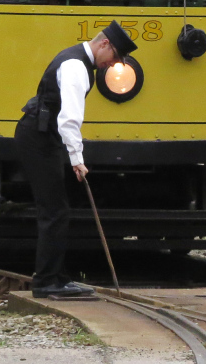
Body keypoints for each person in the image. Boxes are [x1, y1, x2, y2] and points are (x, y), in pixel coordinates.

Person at [15, 21, 137, 298]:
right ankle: (46, 282)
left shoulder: (75, 59)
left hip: (42, 136)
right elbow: (69, 119)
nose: (113, 65)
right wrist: (77, 158)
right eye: (115, 57)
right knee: (54, 211)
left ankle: (56, 276)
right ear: (104, 44)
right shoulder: (76, 67)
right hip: (39, 138)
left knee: (57, 209)